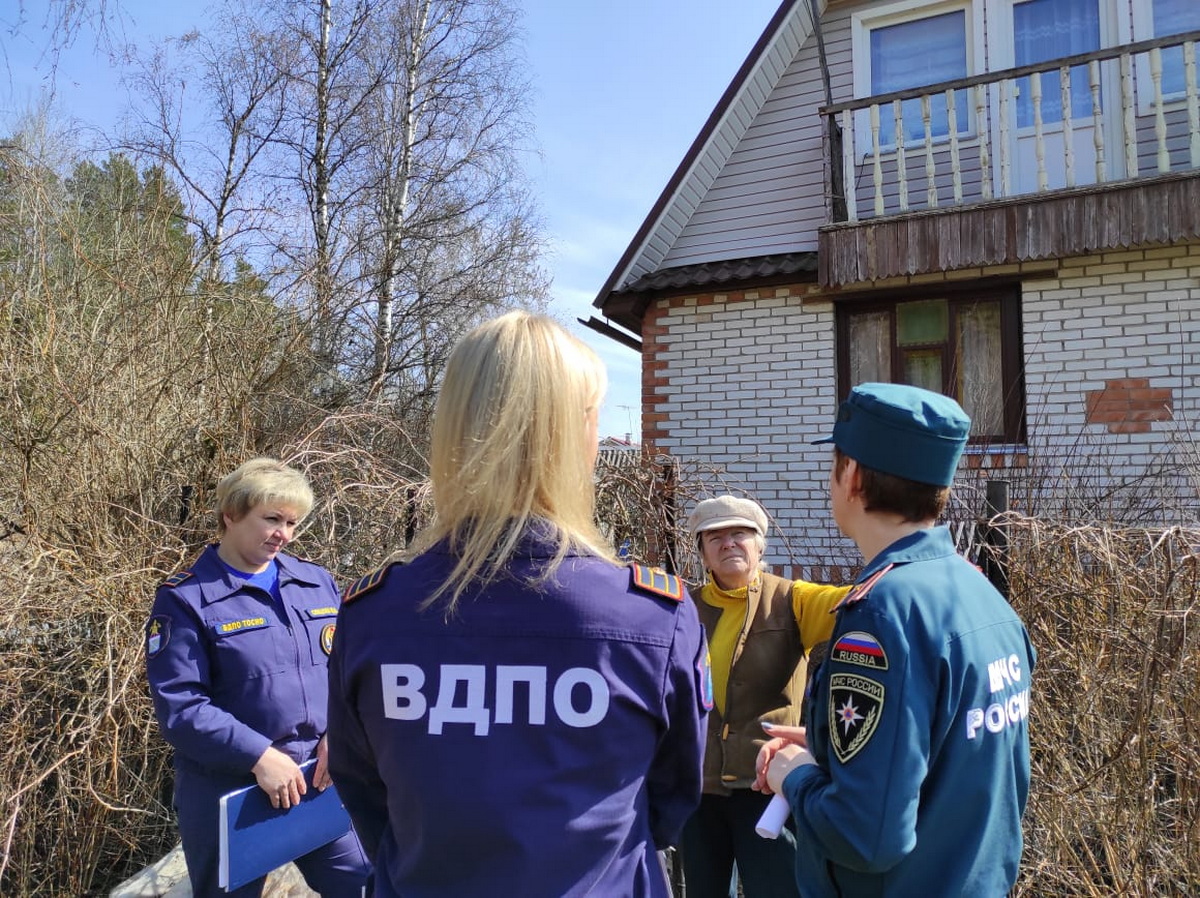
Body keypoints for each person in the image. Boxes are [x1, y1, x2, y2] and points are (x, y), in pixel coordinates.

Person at [326, 311, 710, 898]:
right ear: (575, 433)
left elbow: (369, 797)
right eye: (593, 417)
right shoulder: (651, 616)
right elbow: (672, 798)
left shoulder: (375, 612)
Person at [754, 383, 1036, 897]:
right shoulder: (981, 594)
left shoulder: (882, 614)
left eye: (834, 464)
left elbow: (866, 838)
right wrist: (826, 748)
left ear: (853, 477)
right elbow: (947, 758)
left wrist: (791, 776)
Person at [144, 458, 370, 898]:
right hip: (232, 791)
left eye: (292, 522)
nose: (283, 534)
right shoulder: (187, 598)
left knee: (367, 885)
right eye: (271, 519)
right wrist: (260, 757)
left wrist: (340, 732)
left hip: (317, 778)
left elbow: (349, 669)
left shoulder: (315, 582)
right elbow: (181, 706)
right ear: (231, 515)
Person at [680, 495, 849, 898]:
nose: (728, 543)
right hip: (701, 789)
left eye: (739, 533)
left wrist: (915, 579)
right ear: (702, 552)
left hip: (768, 787)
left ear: (760, 545)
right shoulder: (684, 609)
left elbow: (854, 600)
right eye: (714, 537)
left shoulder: (792, 600)